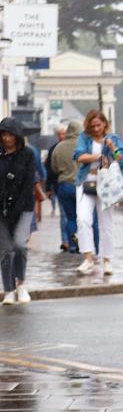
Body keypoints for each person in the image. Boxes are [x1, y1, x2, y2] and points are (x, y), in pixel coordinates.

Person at [73, 110, 123, 276]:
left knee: (106, 224)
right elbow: (79, 156)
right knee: (82, 219)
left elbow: (121, 158)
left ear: (104, 124)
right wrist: (99, 155)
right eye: (92, 125)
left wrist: (112, 147)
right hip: (86, 181)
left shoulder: (113, 138)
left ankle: (107, 260)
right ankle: (88, 257)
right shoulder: (84, 138)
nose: (96, 129)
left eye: (99, 125)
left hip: (106, 183)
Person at [0, 118, 37, 305]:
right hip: (1, 209)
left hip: (23, 207)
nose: (7, 139)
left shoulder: (28, 154)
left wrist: (18, 207)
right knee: (6, 251)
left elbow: (28, 182)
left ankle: (21, 283)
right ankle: (8, 289)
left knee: (20, 245)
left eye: (10, 135)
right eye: (3, 134)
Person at [51, 120, 83, 254]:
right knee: (83, 218)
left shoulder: (59, 147)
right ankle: (84, 243)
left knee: (69, 218)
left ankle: (72, 245)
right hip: (80, 185)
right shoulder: (83, 145)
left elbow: (54, 167)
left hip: (64, 185)